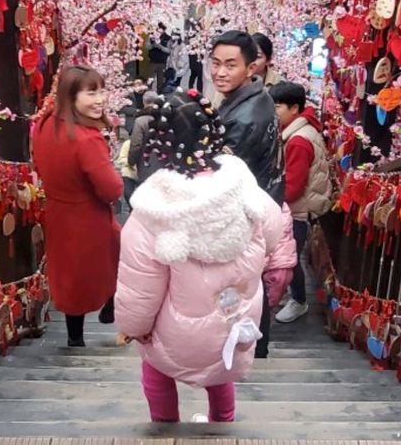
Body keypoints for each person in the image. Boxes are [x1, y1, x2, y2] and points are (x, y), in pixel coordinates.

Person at [115, 90, 283, 423]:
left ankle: (164, 426)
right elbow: (273, 231)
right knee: (221, 371)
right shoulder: (244, 187)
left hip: (173, 330)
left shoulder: (153, 210)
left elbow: (141, 287)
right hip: (231, 319)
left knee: (156, 370)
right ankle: (222, 424)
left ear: (158, 145)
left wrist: (134, 327)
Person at [32, 66, 123, 346]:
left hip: (59, 213)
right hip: (88, 218)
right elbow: (111, 189)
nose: (100, 99)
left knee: (70, 277)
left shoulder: (45, 123)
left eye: (102, 90)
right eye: (91, 92)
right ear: (71, 96)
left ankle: (75, 339)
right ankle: (110, 304)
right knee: (110, 261)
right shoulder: (87, 140)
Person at [210, 30, 284, 358]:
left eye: (230, 65)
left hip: (243, 208)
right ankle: (257, 344)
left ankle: (249, 345)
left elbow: (222, 174)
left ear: (250, 68)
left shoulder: (243, 118)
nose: (220, 72)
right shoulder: (257, 98)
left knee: (241, 279)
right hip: (261, 200)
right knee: (248, 277)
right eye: (215, 64)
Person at [269, 81, 332, 323]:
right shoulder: (302, 131)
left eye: (278, 107)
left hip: (297, 210)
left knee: (290, 257)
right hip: (300, 207)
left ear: (294, 108)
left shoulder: (297, 140)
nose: (274, 112)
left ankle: (299, 300)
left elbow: (293, 188)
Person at [127, 90, 160, 184]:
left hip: (146, 162)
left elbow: (136, 145)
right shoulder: (165, 117)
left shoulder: (140, 121)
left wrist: (131, 161)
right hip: (164, 161)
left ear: (144, 102)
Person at [148, 22, 171, 91]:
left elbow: (169, 51)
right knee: (150, 80)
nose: (159, 31)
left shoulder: (168, 38)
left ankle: (160, 95)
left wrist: (160, 46)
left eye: (162, 29)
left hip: (162, 62)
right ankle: (148, 95)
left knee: (160, 81)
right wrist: (152, 45)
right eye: (158, 29)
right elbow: (147, 47)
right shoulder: (152, 36)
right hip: (152, 61)